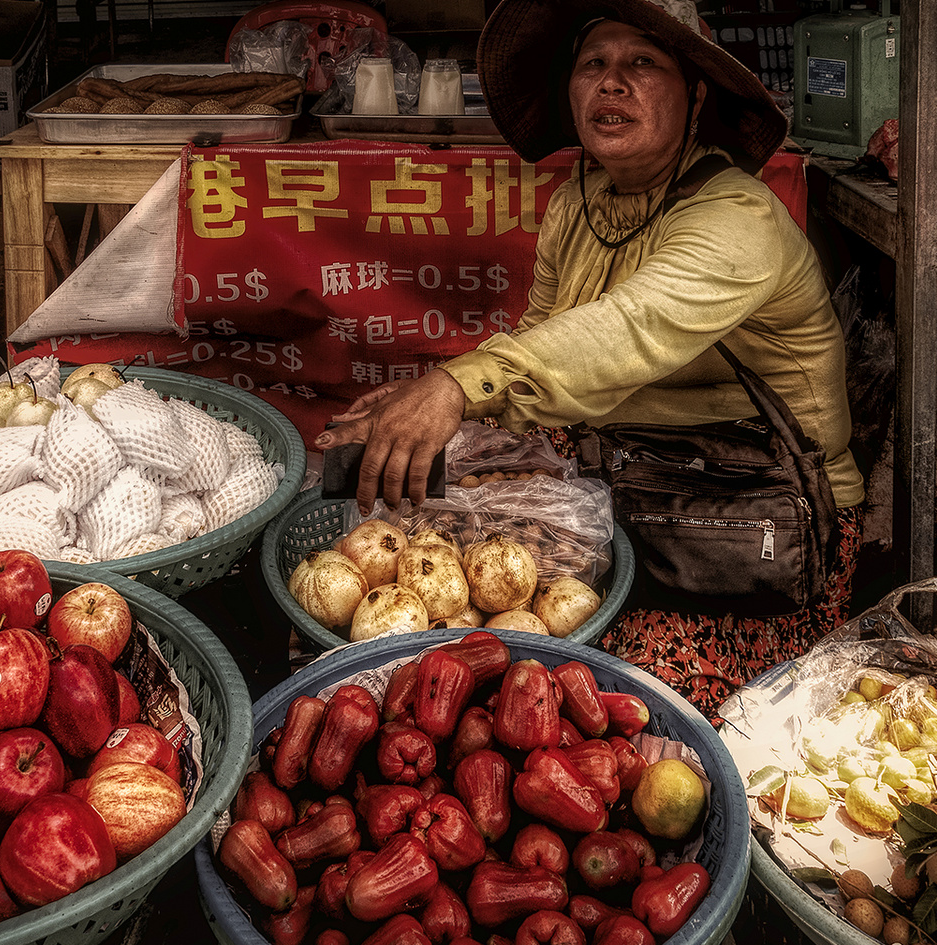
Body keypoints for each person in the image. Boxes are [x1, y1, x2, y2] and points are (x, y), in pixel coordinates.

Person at [314, 0, 864, 713]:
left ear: (695, 97)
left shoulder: (739, 217)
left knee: (617, 699)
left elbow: (624, 331)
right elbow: (543, 338)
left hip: (751, 515)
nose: (612, 83)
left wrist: (455, 388)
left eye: (643, 64)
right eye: (593, 66)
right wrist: (423, 408)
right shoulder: (581, 205)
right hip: (626, 481)